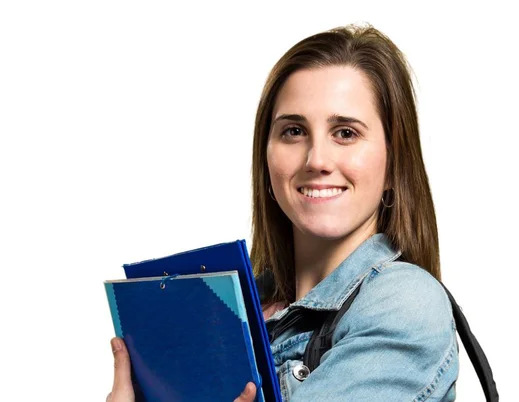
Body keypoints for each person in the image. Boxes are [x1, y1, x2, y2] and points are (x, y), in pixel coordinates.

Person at [108, 23, 458, 402]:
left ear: (394, 165)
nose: (316, 159)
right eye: (293, 131)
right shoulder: (235, 308)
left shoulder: (406, 303)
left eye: (345, 133)